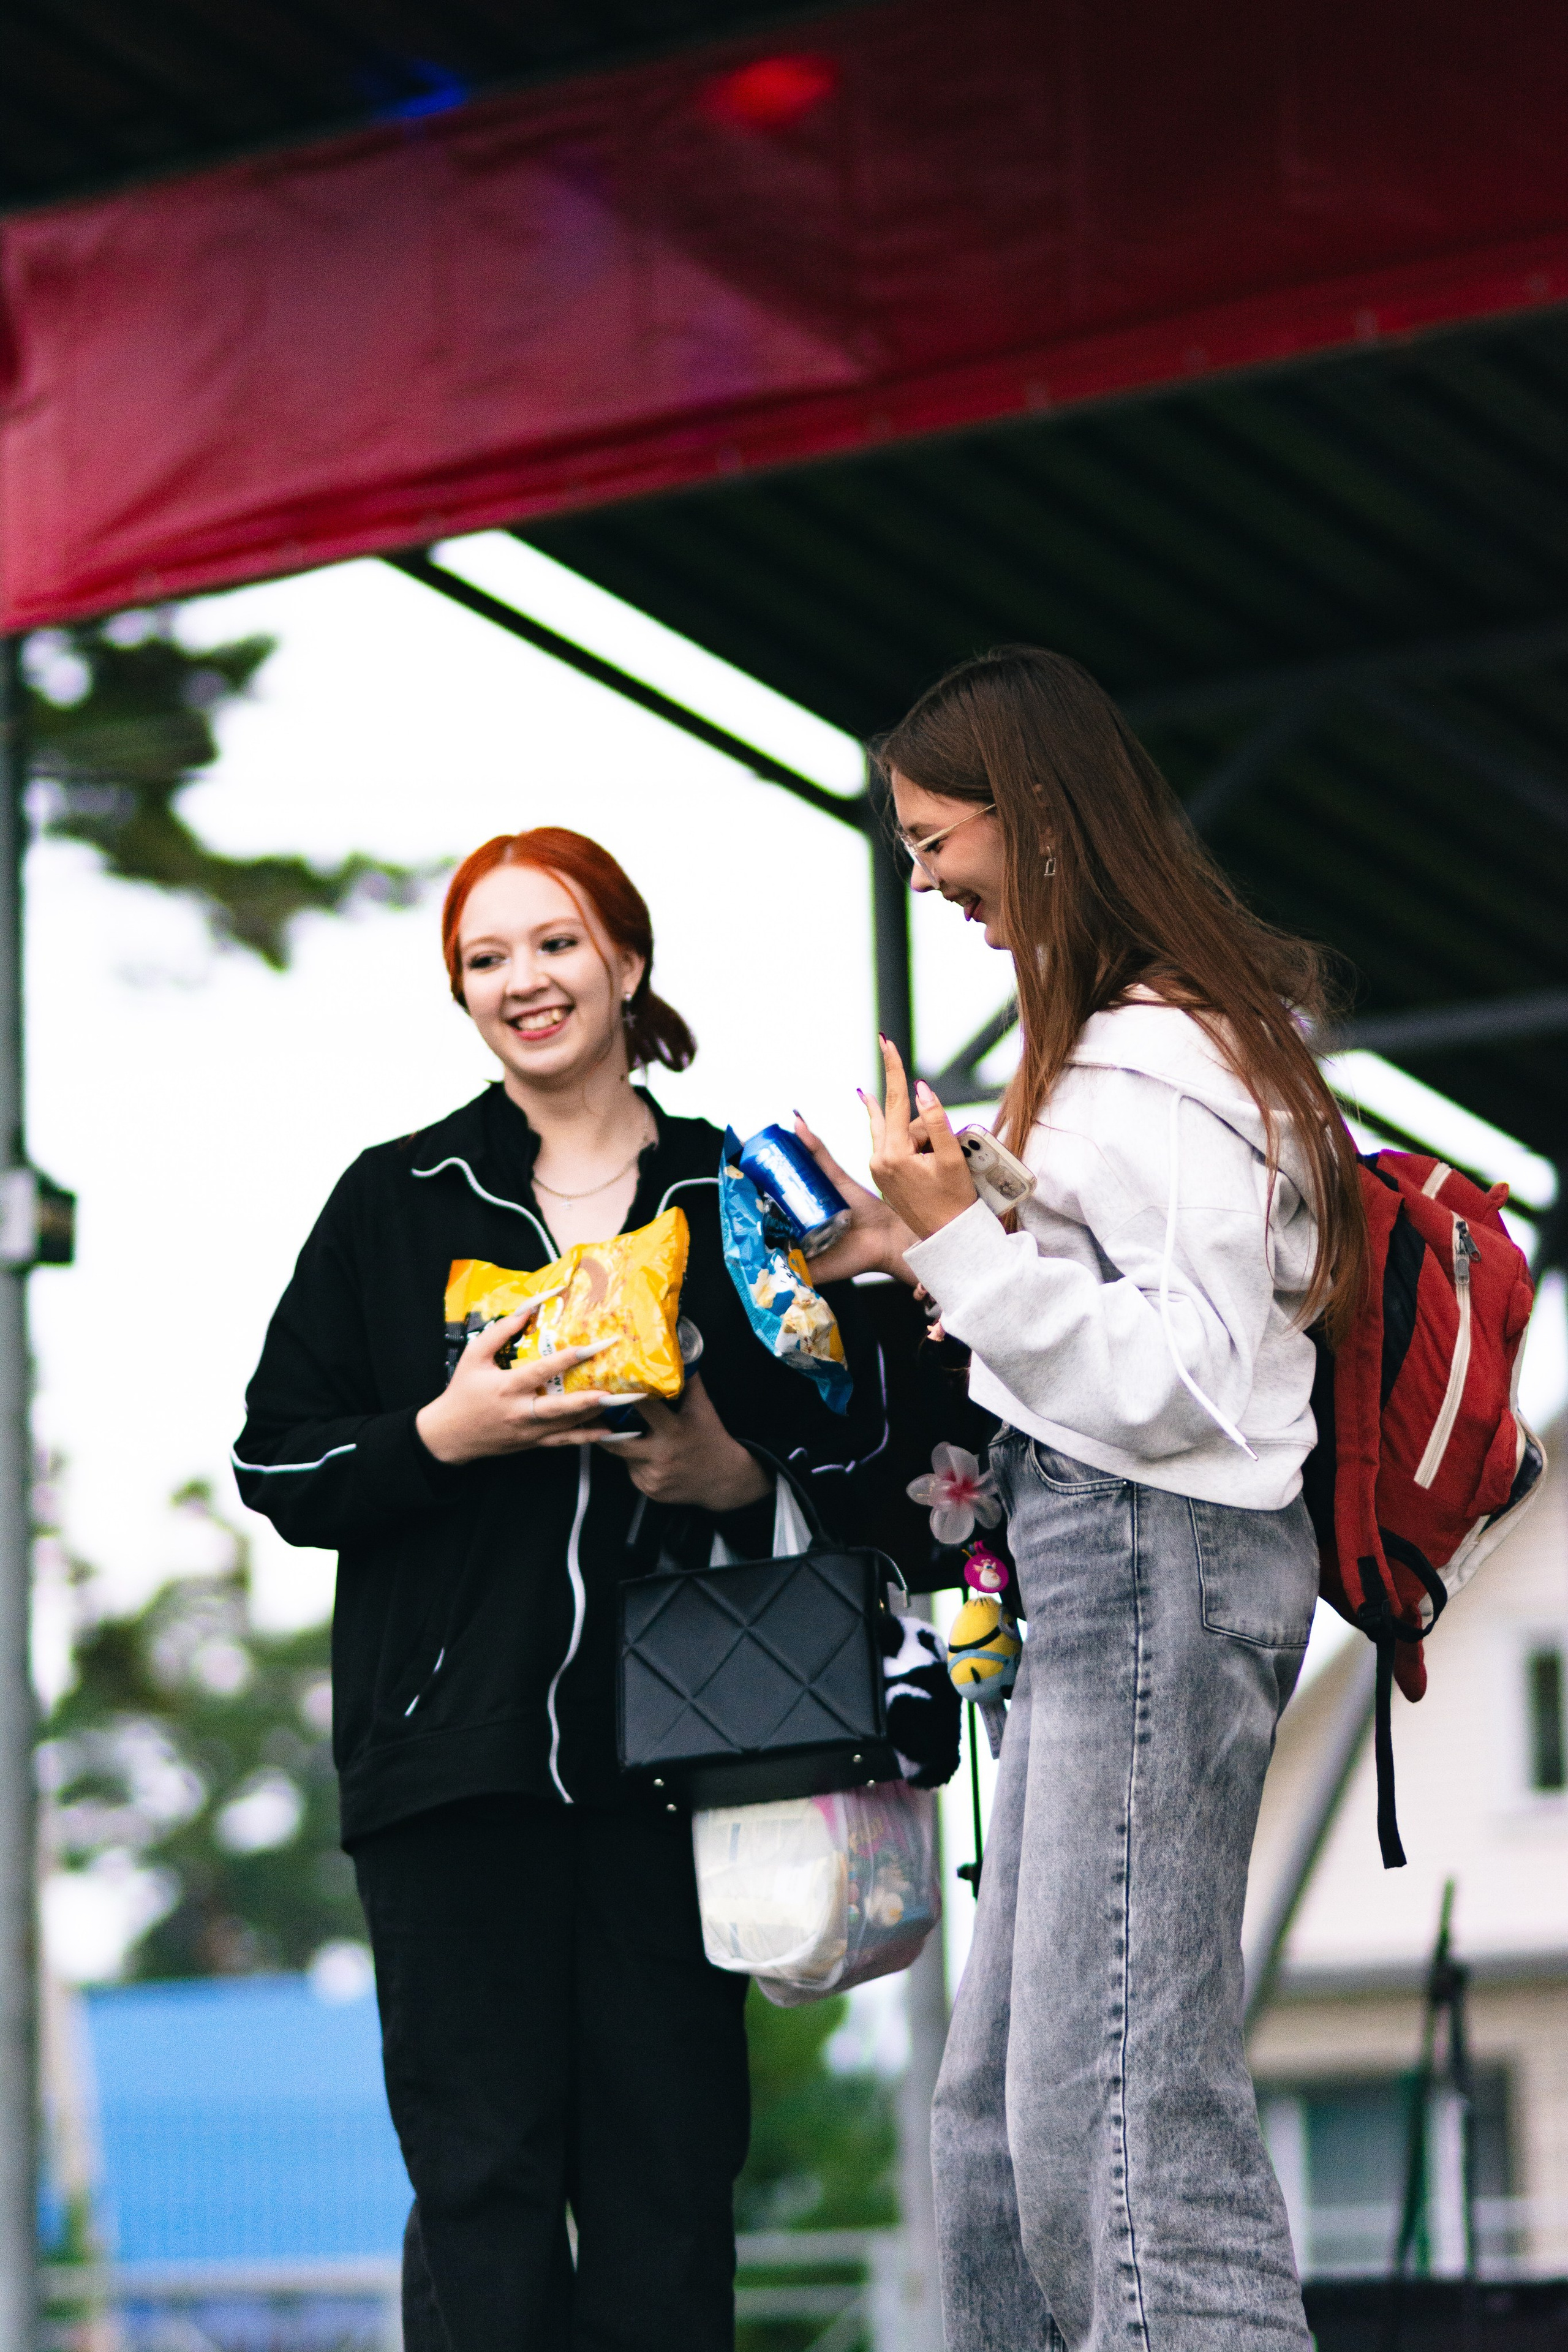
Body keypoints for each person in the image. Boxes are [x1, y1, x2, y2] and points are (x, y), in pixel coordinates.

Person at [233, 827, 891, 2352]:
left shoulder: (740, 1187)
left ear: (625, 962)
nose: (523, 980)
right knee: (484, 2191)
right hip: (449, 1773)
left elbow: (876, 1446)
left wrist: (736, 1475)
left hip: (691, 1770)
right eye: (485, 957)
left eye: (554, 942)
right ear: (461, 994)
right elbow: (276, 1467)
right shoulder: (396, 1201)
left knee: (670, 2191)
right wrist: (438, 1435)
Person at [801, 649, 1365, 2350]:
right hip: (1110, 1565)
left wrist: (967, 1243)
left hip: (1156, 1562)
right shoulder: (1141, 1053)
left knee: (1118, 2131)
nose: (927, 881)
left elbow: (1183, 1379)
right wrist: (950, 1232)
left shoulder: (1159, 1056)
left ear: (1030, 817)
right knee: (996, 2133)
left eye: (934, 837)